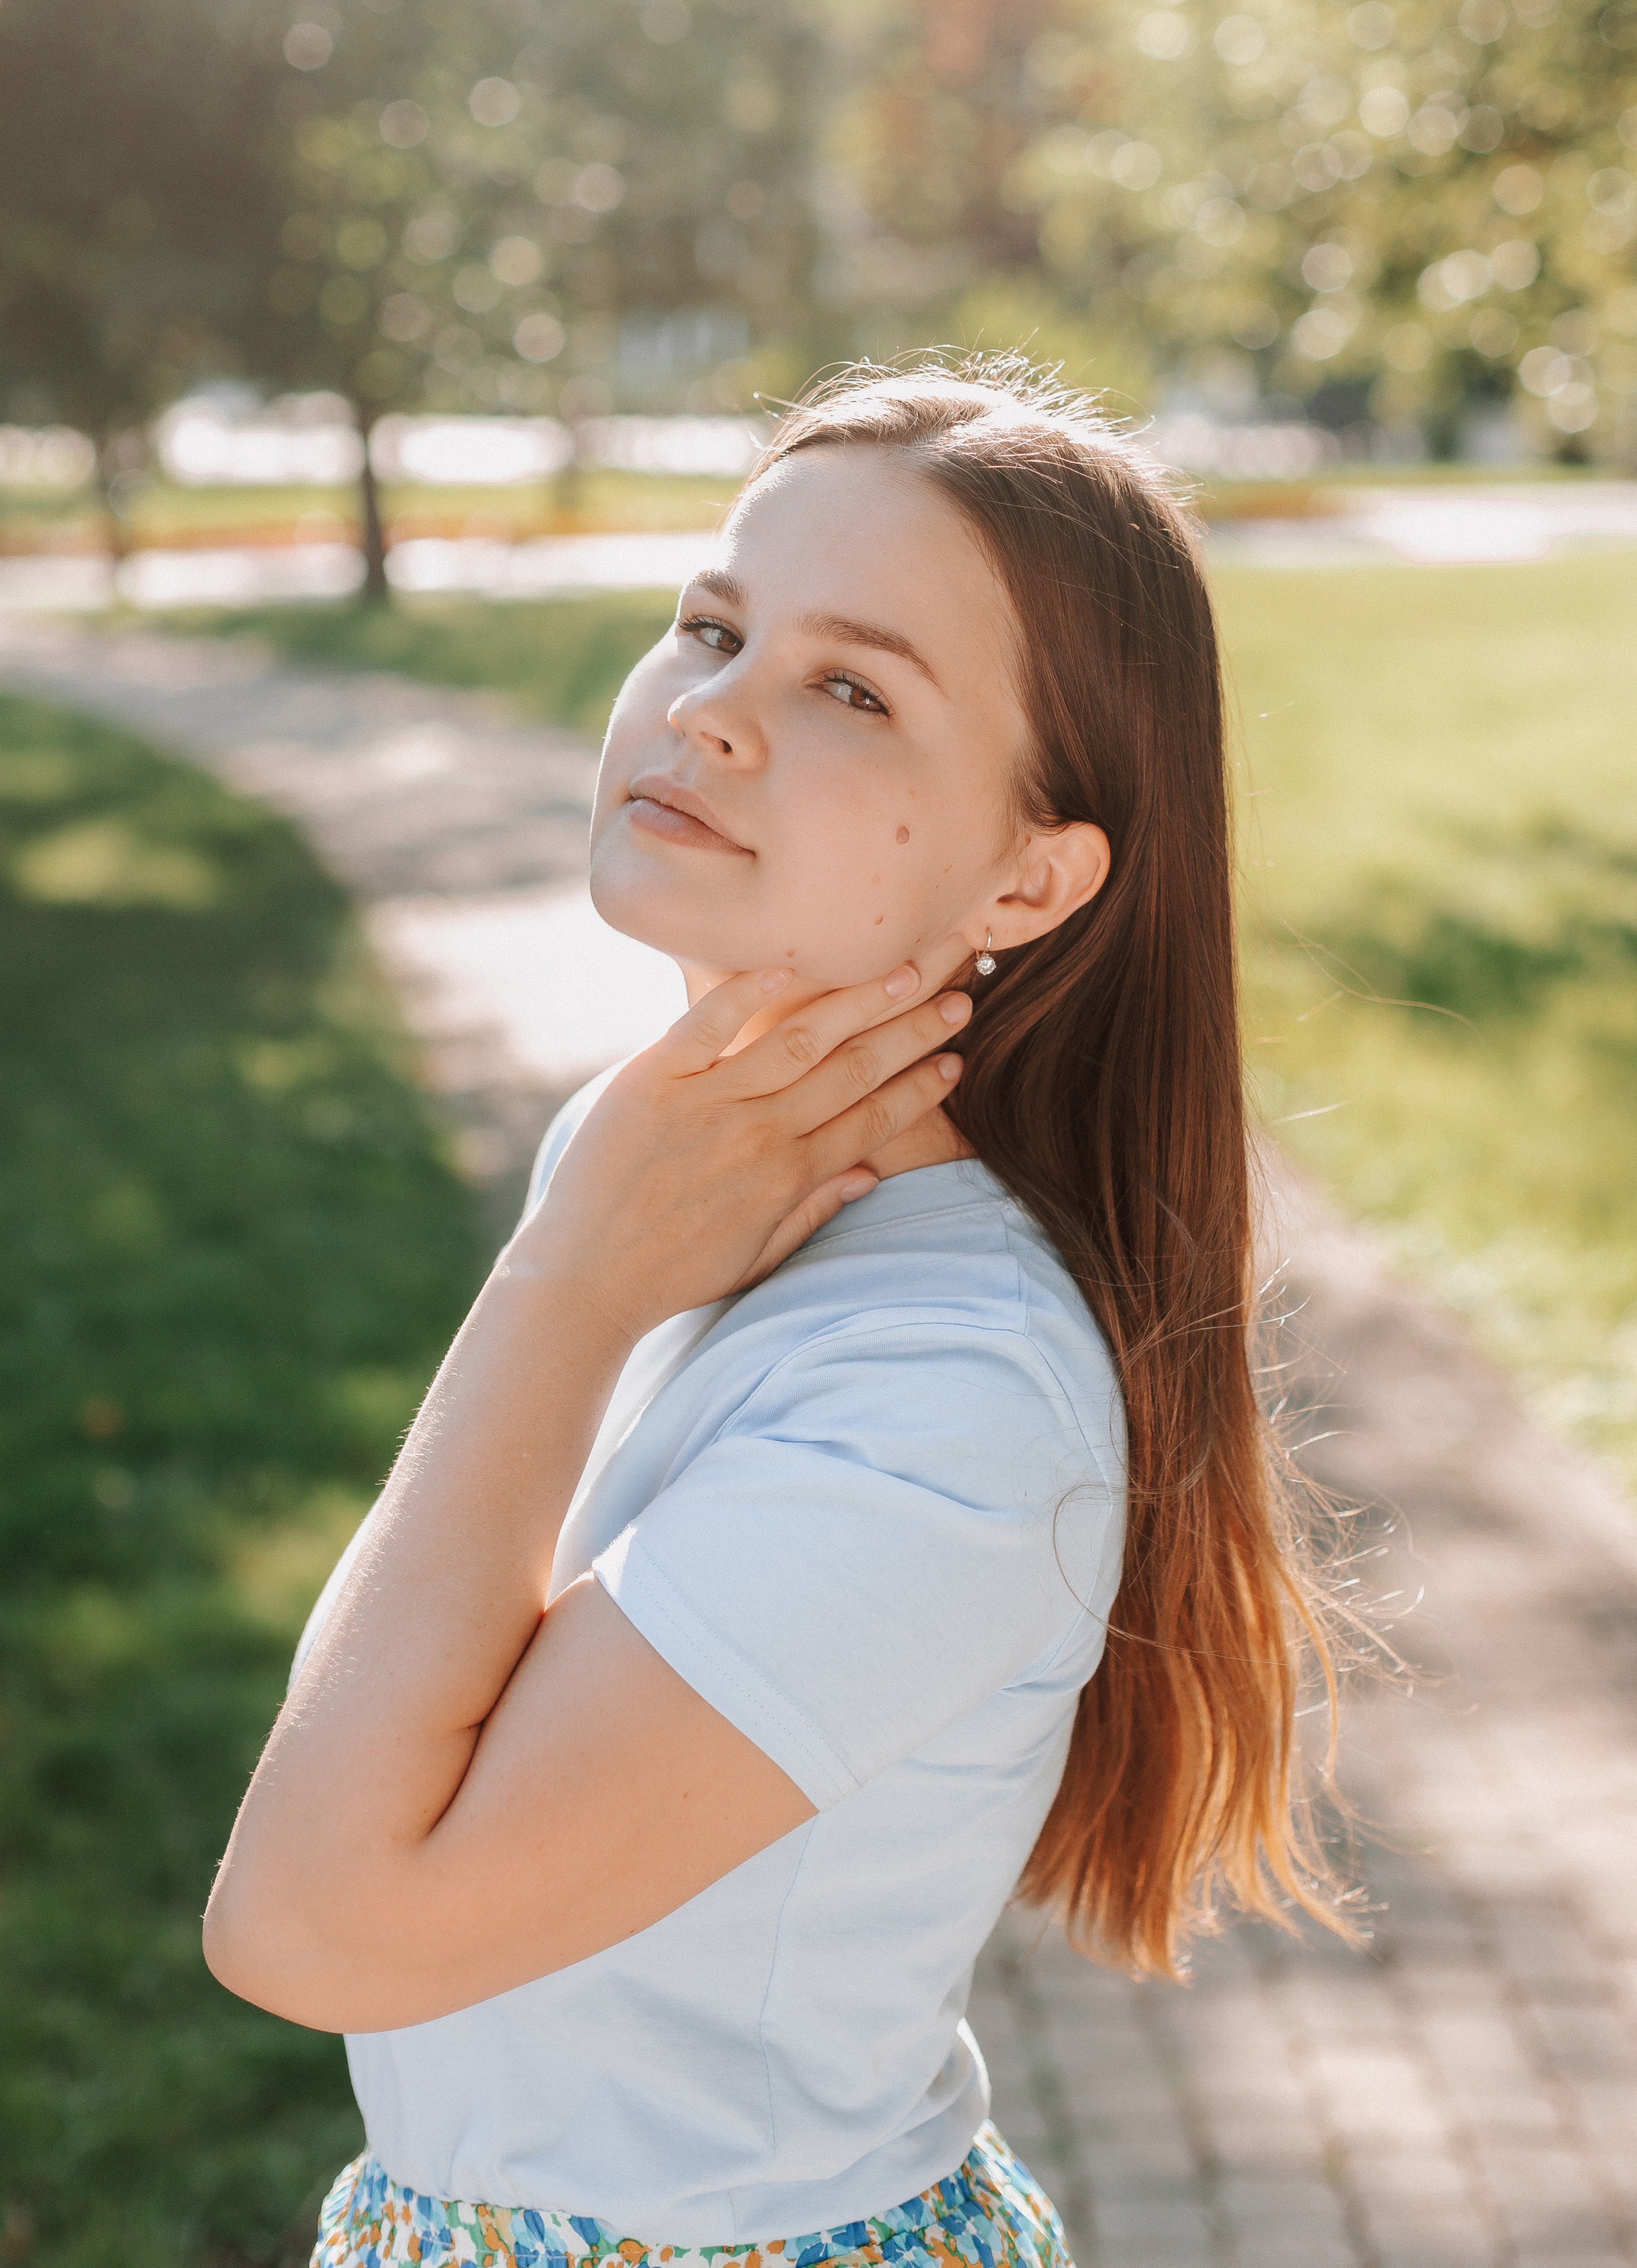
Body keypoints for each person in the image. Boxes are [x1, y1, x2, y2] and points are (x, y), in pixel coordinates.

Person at [203, 360, 1350, 2268]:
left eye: (851, 687)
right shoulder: (680, 1160)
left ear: (1030, 873)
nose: (710, 711)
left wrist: (558, 1291)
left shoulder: (954, 1397)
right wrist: (582, 1252)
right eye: (714, 625)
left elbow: (314, 1929)